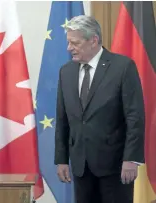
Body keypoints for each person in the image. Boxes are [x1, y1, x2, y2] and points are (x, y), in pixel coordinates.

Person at [54, 15, 145, 203]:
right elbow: (62, 119)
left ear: (93, 40)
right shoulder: (66, 71)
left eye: (75, 43)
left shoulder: (123, 67)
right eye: (68, 42)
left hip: (116, 166)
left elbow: (135, 117)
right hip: (81, 165)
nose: (69, 48)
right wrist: (61, 159)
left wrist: (131, 159)